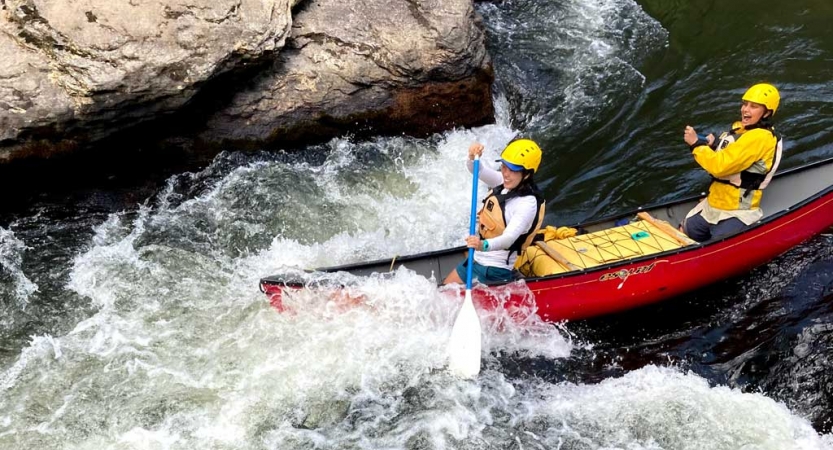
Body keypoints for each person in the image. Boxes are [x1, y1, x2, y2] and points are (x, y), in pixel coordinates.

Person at [681, 83, 783, 242]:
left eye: (754, 106)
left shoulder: (760, 137)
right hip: (714, 204)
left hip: (737, 211)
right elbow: (732, 156)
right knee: (686, 230)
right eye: (745, 104)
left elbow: (720, 167)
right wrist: (714, 146)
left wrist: (696, 144)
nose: (745, 109)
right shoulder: (741, 130)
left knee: (719, 244)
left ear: (766, 113)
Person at [442, 139, 546, 285]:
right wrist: (472, 157)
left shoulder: (527, 204)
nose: (506, 174)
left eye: (513, 170)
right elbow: (478, 170)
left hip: (495, 269)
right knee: (444, 288)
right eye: (504, 167)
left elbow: (508, 239)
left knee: (449, 297)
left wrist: (482, 245)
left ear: (527, 174)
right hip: (477, 258)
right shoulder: (505, 182)